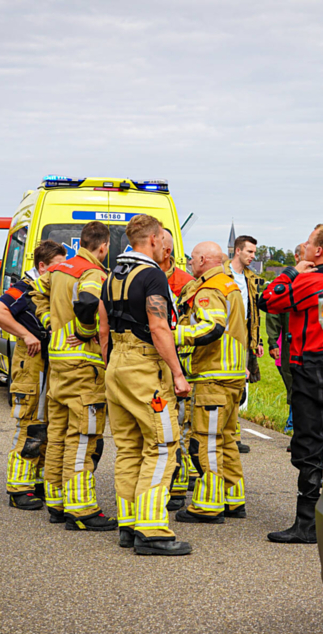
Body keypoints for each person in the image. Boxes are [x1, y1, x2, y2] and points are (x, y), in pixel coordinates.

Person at [100, 214, 192, 556]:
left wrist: (111, 365)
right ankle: (152, 529)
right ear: (152, 239)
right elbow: (159, 328)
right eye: (164, 240)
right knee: (163, 444)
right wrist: (178, 374)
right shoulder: (151, 274)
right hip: (144, 366)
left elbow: (104, 328)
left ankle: (129, 523)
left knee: (128, 447)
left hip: (117, 366)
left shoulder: (112, 275)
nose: (166, 246)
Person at [258, 224, 323, 543]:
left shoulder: (310, 280)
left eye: (308, 244)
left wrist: (290, 272)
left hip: (311, 365)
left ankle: (307, 523)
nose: (304, 249)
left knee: (308, 444)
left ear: (318, 251)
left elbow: (267, 300)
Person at [33, 221, 117, 531]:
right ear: (103, 247)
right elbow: (88, 303)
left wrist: (51, 324)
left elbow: (35, 293)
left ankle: (56, 502)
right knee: (83, 437)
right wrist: (84, 332)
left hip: (58, 362)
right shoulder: (92, 273)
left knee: (58, 435)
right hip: (84, 365)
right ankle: (81, 510)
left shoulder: (59, 269)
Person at [172, 242, 247, 524]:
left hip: (212, 375)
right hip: (232, 375)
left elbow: (210, 327)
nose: (190, 263)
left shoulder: (209, 289)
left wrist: (174, 334)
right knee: (226, 439)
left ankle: (208, 505)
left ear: (203, 259)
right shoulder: (230, 285)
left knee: (207, 442)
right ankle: (232, 497)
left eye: (192, 259)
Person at [0, 240, 66, 510]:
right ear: (42, 266)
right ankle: (18, 488)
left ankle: (38, 481)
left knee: (48, 424)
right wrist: (25, 334)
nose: (60, 272)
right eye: (56, 267)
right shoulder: (25, 288)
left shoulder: (48, 288)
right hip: (31, 364)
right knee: (30, 424)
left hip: (47, 362)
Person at [157, 229, 197, 511]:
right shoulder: (144, 275)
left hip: (179, 359)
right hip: (153, 362)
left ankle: (178, 488)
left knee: (178, 428)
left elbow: (195, 323)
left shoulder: (185, 282)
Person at [264, 242, 303, 435]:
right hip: (287, 345)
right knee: (295, 385)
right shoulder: (287, 282)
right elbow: (272, 311)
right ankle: (292, 423)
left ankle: (295, 423)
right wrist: (272, 342)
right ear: (297, 258)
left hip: (305, 346)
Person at [229, 235, 263, 453]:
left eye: (254, 253)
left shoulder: (252, 278)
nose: (253, 256)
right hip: (227, 334)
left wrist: (257, 340)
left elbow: (255, 312)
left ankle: (234, 434)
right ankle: (229, 435)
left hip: (245, 337)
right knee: (228, 386)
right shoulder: (223, 273)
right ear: (238, 250)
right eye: (249, 252)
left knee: (240, 389)